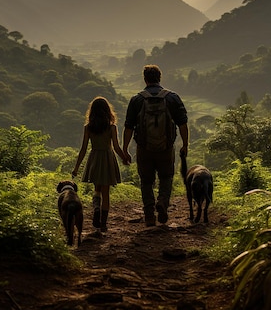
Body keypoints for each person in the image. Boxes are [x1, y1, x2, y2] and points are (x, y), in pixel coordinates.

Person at [122, 64, 188, 226]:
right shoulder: (172, 97)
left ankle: (149, 213)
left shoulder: (137, 99)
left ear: (145, 79)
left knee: (146, 181)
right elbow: (183, 124)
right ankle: (163, 203)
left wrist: (125, 149)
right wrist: (185, 144)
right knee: (166, 177)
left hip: (144, 149)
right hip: (166, 148)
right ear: (160, 78)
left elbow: (129, 127)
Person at [72, 96, 127, 232]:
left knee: (97, 189)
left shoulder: (88, 128)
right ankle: (103, 224)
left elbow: (83, 148)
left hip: (95, 158)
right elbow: (116, 147)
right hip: (107, 158)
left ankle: (96, 207)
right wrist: (124, 158)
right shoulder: (112, 127)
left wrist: (76, 167)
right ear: (108, 111)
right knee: (106, 192)